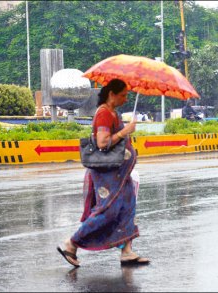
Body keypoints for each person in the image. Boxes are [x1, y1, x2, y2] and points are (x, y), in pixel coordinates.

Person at [57, 78, 149, 267]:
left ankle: (126, 251)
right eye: (122, 95)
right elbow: (102, 142)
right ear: (111, 94)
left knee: (127, 206)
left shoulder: (113, 113)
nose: (125, 99)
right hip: (108, 176)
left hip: (120, 175)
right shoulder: (104, 114)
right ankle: (72, 243)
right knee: (108, 211)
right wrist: (125, 132)